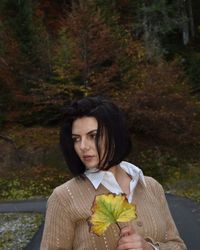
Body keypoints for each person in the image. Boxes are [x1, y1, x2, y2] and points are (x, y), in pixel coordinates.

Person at [40, 96, 187, 250]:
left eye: (93, 136)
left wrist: (150, 248)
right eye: (76, 139)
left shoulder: (151, 187)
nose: (82, 146)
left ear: (115, 136)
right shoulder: (63, 198)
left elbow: (178, 246)